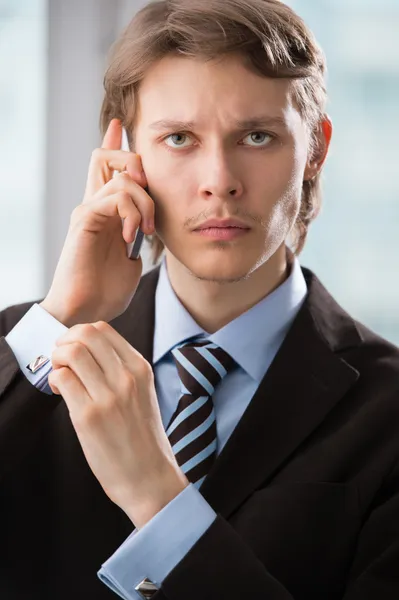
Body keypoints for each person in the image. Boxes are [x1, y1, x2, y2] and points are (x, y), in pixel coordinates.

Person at [1, 0, 398, 598]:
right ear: (124, 158)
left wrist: (158, 499)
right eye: (180, 138)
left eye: (257, 136)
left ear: (315, 149)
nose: (219, 178)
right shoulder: (26, 346)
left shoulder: (387, 411)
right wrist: (63, 315)